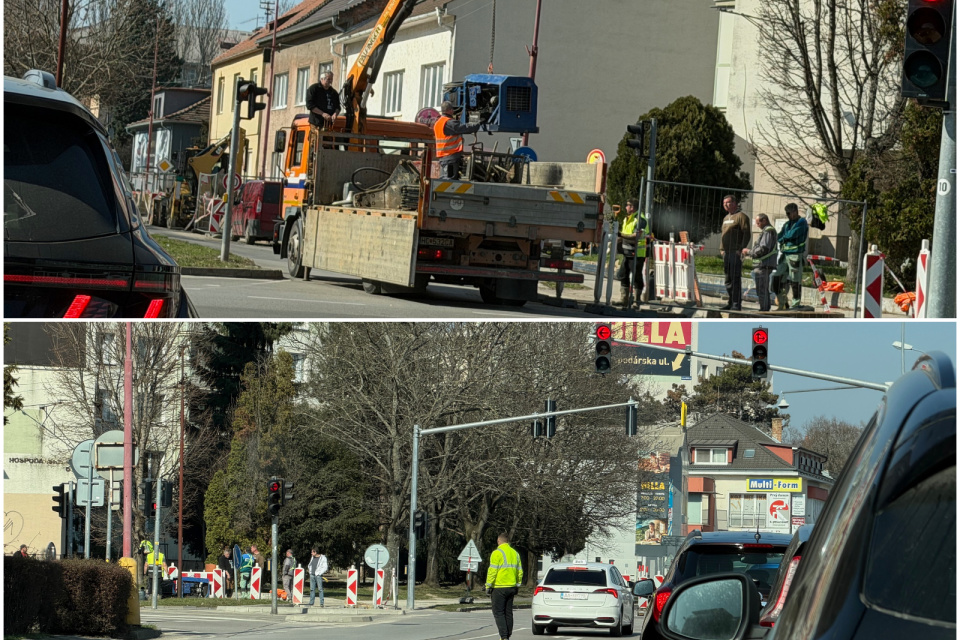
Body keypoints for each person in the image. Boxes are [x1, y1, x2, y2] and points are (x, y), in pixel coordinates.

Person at [433, 100, 486, 179]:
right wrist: (477, 125)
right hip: (450, 157)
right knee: (449, 182)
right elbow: (464, 128)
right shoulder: (449, 123)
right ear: (450, 110)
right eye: (452, 109)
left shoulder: (438, 122)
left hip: (443, 156)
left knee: (445, 180)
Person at [485, 532, 523, 640]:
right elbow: (520, 571)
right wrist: (517, 584)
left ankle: (504, 636)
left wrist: (488, 585)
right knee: (508, 612)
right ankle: (508, 634)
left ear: (498, 541)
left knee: (498, 612)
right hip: (511, 587)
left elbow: (492, 571)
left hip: (499, 587)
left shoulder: (497, 553)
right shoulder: (515, 553)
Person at [772, 202, 809, 310]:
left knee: (795, 281)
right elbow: (779, 236)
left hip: (795, 255)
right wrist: (783, 238)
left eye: (789, 213)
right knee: (776, 278)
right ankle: (782, 302)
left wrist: (784, 238)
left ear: (795, 212)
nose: (788, 215)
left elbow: (792, 234)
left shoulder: (801, 222)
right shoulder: (787, 224)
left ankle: (795, 304)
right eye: (786, 213)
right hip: (784, 255)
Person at [616, 199, 651, 307]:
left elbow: (637, 236)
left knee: (636, 276)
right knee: (622, 274)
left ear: (632, 207)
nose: (626, 207)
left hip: (637, 253)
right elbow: (625, 234)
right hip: (627, 252)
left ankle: (637, 301)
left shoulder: (640, 219)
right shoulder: (628, 219)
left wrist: (621, 235)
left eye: (627, 205)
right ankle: (624, 299)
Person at [720, 194, 751, 311]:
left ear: (734, 203)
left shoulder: (741, 216)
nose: (725, 205)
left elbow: (747, 233)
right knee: (728, 280)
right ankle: (730, 301)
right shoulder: (725, 218)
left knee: (735, 279)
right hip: (726, 253)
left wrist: (741, 249)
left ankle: (736, 304)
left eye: (728, 202)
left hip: (735, 253)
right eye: (724, 203)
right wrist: (721, 250)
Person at [742, 213, 778, 312]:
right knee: (762, 288)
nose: (757, 225)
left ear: (764, 220)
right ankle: (764, 308)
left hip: (764, 265)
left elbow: (763, 248)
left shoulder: (768, 231)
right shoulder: (767, 231)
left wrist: (749, 252)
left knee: (762, 288)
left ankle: (764, 309)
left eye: (758, 223)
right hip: (763, 264)